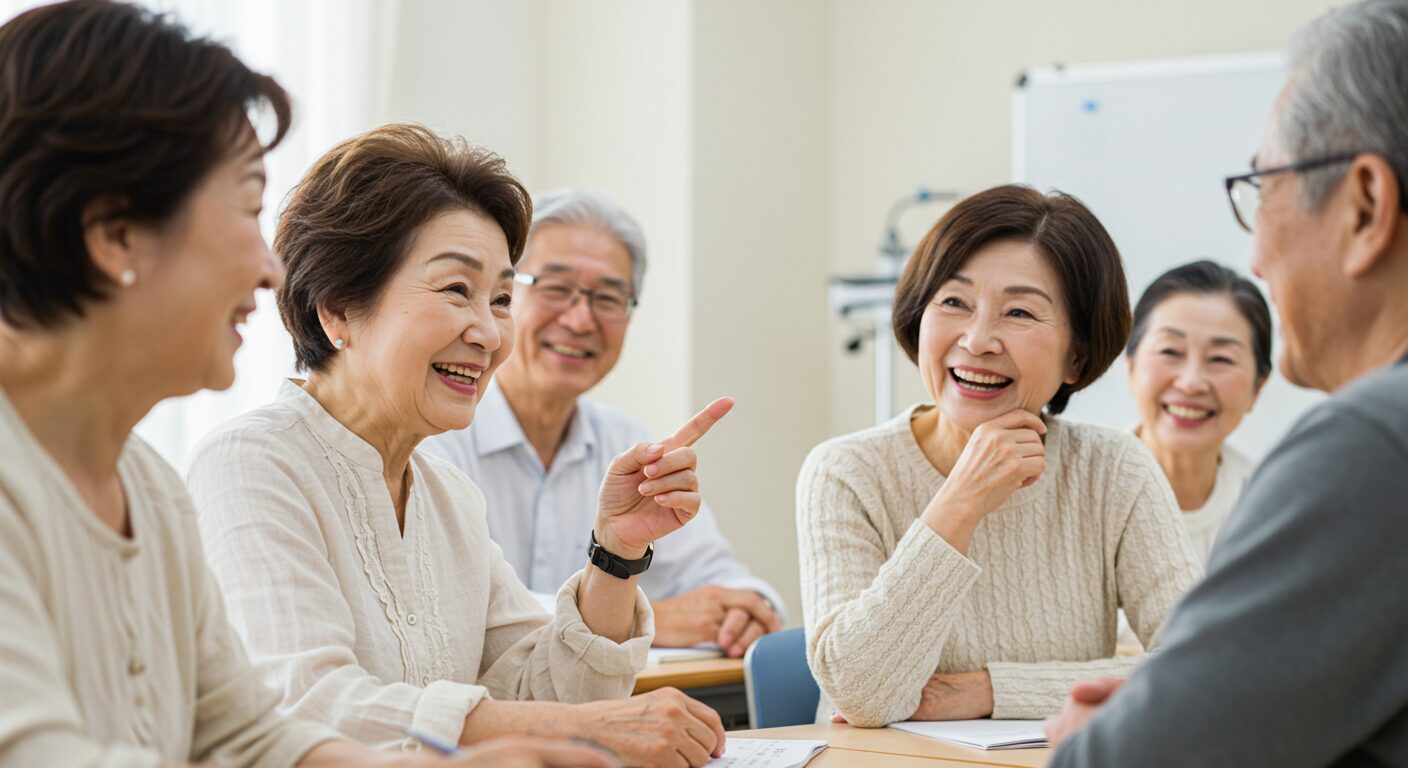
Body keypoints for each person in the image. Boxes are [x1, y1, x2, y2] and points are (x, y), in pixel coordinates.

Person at [0, 3, 611, 767]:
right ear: (115, 232)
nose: (269, 267)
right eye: (247, 211)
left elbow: (248, 735)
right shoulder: (230, 465)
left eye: (498, 298)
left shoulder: (145, 486)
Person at [188, 124, 729, 768]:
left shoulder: (448, 494)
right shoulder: (251, 464)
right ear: (336, 308)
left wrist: (616, 552)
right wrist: (589, 727)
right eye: (456, 290)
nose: (490, 333)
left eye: (501, 298)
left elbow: (547, 695)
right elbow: (311, 705)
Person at [1046, 1, 1408, 764]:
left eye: (1265, 187)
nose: (1258, 261)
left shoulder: (1370, 444)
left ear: (1366, 207)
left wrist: (1113, 733)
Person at [796, 184, 1203, 727]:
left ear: (1076, 359)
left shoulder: (1113, 470)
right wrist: (959, 504)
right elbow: (861, 695)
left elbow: (1200, 669)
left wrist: (991, 691)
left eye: (1018, 312)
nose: (978, 339)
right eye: (954, 302)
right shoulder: (846, 472)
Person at [422, 188, 783, 657]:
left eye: (608, 298)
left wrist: (745, 610)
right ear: (503, 296)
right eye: (555, 288)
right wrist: (641, 614)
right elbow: (453, 607)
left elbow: (726, 579)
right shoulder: (435, 434)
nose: (579, 319)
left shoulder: (627, 443)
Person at [1126, 261, 1271, 561]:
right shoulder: (1081, 492)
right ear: (1130, 367)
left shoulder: (1273, 509)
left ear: (1258, 386)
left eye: (1221, 359)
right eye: (1170, 352)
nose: (1191, 383)